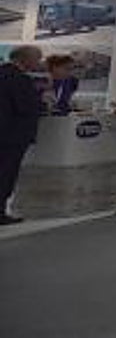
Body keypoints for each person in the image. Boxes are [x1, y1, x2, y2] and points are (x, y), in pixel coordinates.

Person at [0, 46, 44, 225]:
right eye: (37, 59)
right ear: (25, 59)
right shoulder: (20, 79)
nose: (38, 63)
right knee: (6, 174)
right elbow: (25, 107)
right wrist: (42, 103)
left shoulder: (3, 73)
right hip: (13, 135)